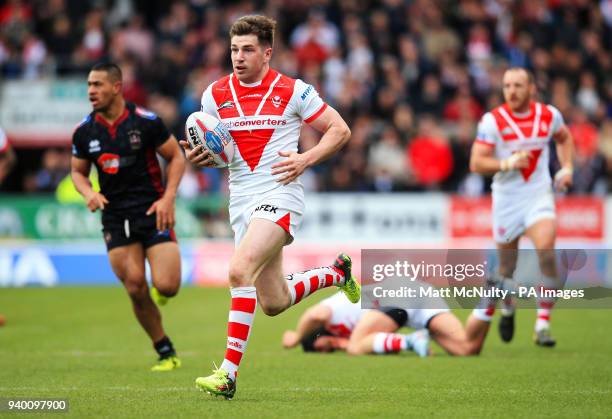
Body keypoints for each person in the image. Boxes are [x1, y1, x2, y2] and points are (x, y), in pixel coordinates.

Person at [181, 15, 358, 399]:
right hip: (241, 201)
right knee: (274, 301)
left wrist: (305, 159)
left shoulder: (294, 90)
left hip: (280, 196)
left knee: (238, 271)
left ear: (267, 52)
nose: (238, 57)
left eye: (247, 50)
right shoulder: (213, 95)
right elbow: (219, 151)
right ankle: (336, 274)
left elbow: (340, 129)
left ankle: (227, 374)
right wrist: (202, 157)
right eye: (233, 50)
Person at [71, 62, 186, 371]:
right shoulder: (84, 132)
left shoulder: (146, 122)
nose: (91, 91)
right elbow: (78, 173)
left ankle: (160, 292)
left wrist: (168, 197)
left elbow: (176, 157)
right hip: (115, 216)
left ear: (117, 87)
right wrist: (88, 193)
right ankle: (165, 351)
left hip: (153, 211)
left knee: (168, 286)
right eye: (89, 85)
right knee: (135, 286)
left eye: (97, 85)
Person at [470, 67, 575, 347]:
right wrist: (506, 163)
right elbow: (477, 162)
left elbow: (564, 138)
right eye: (507, 86)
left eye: (518, 85)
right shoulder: (493, 121)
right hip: (506, 200)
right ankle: (508, 307)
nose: (511, 91)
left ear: (532, 89)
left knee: (546, 248)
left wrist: (566, 168)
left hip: (538, 195)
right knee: (506, 268)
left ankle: (542, 324)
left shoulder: (548, 115)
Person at [282, 291, 493, 358]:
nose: (330, 348)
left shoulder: (329, 312)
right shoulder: (353, 333)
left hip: (393, 296)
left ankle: (410, 341)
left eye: (325, 347)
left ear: (319, 336)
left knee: (356, 347)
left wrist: (297, 337)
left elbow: (313, 315)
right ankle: (492, 296)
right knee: (468, 348)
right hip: (419, 300)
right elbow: (375, 342)